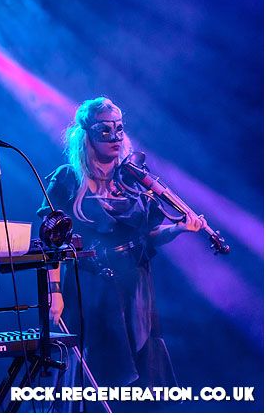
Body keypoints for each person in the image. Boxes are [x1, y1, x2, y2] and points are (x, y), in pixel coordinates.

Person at [37, 97, 205, 409]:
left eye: (119, 129)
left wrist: (179, 228)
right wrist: (55, 290)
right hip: (91, 286)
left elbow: (149, 235)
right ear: (88, 134)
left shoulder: (132, 177)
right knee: (97, 370)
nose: (114, 137)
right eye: (105, 130)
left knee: (141, 370)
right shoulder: (68, 179)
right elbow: (51, 242)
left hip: (136, 285)